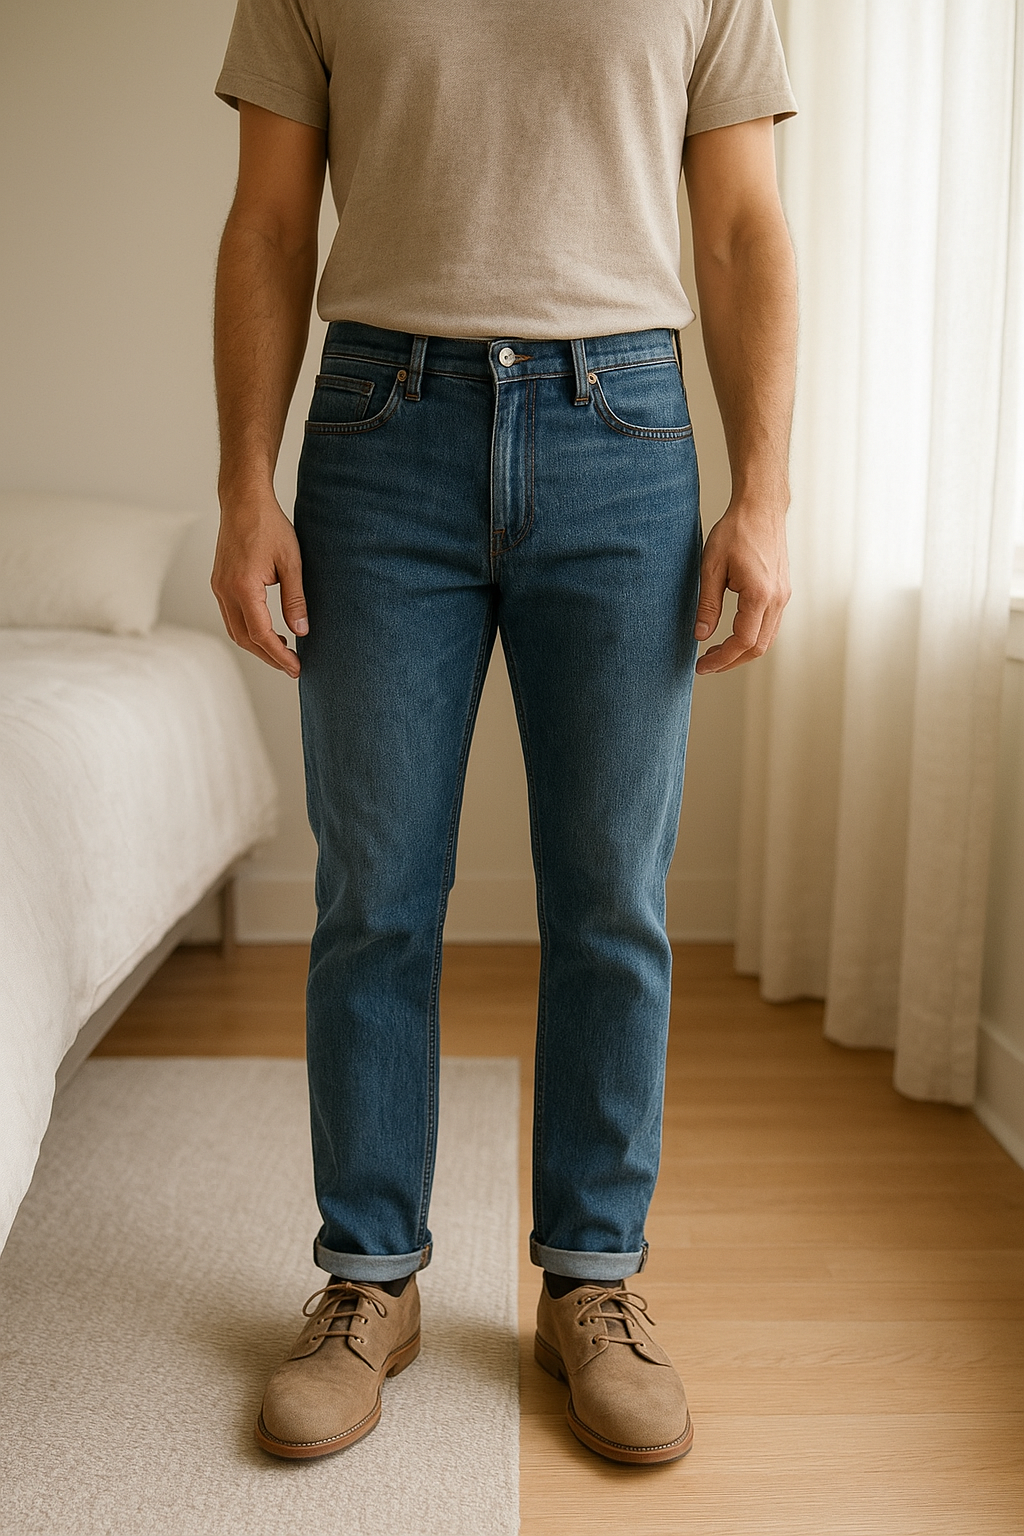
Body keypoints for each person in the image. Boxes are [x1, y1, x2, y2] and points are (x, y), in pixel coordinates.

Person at [211, 0, 797, 1466]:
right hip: (378, 430)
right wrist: (242, 487)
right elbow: (270, 222)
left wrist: (766, 495)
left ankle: (592, 1282)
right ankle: (371, 1276)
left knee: (612, 896)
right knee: (375, 892)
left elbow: (739, 228)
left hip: (626, 435)